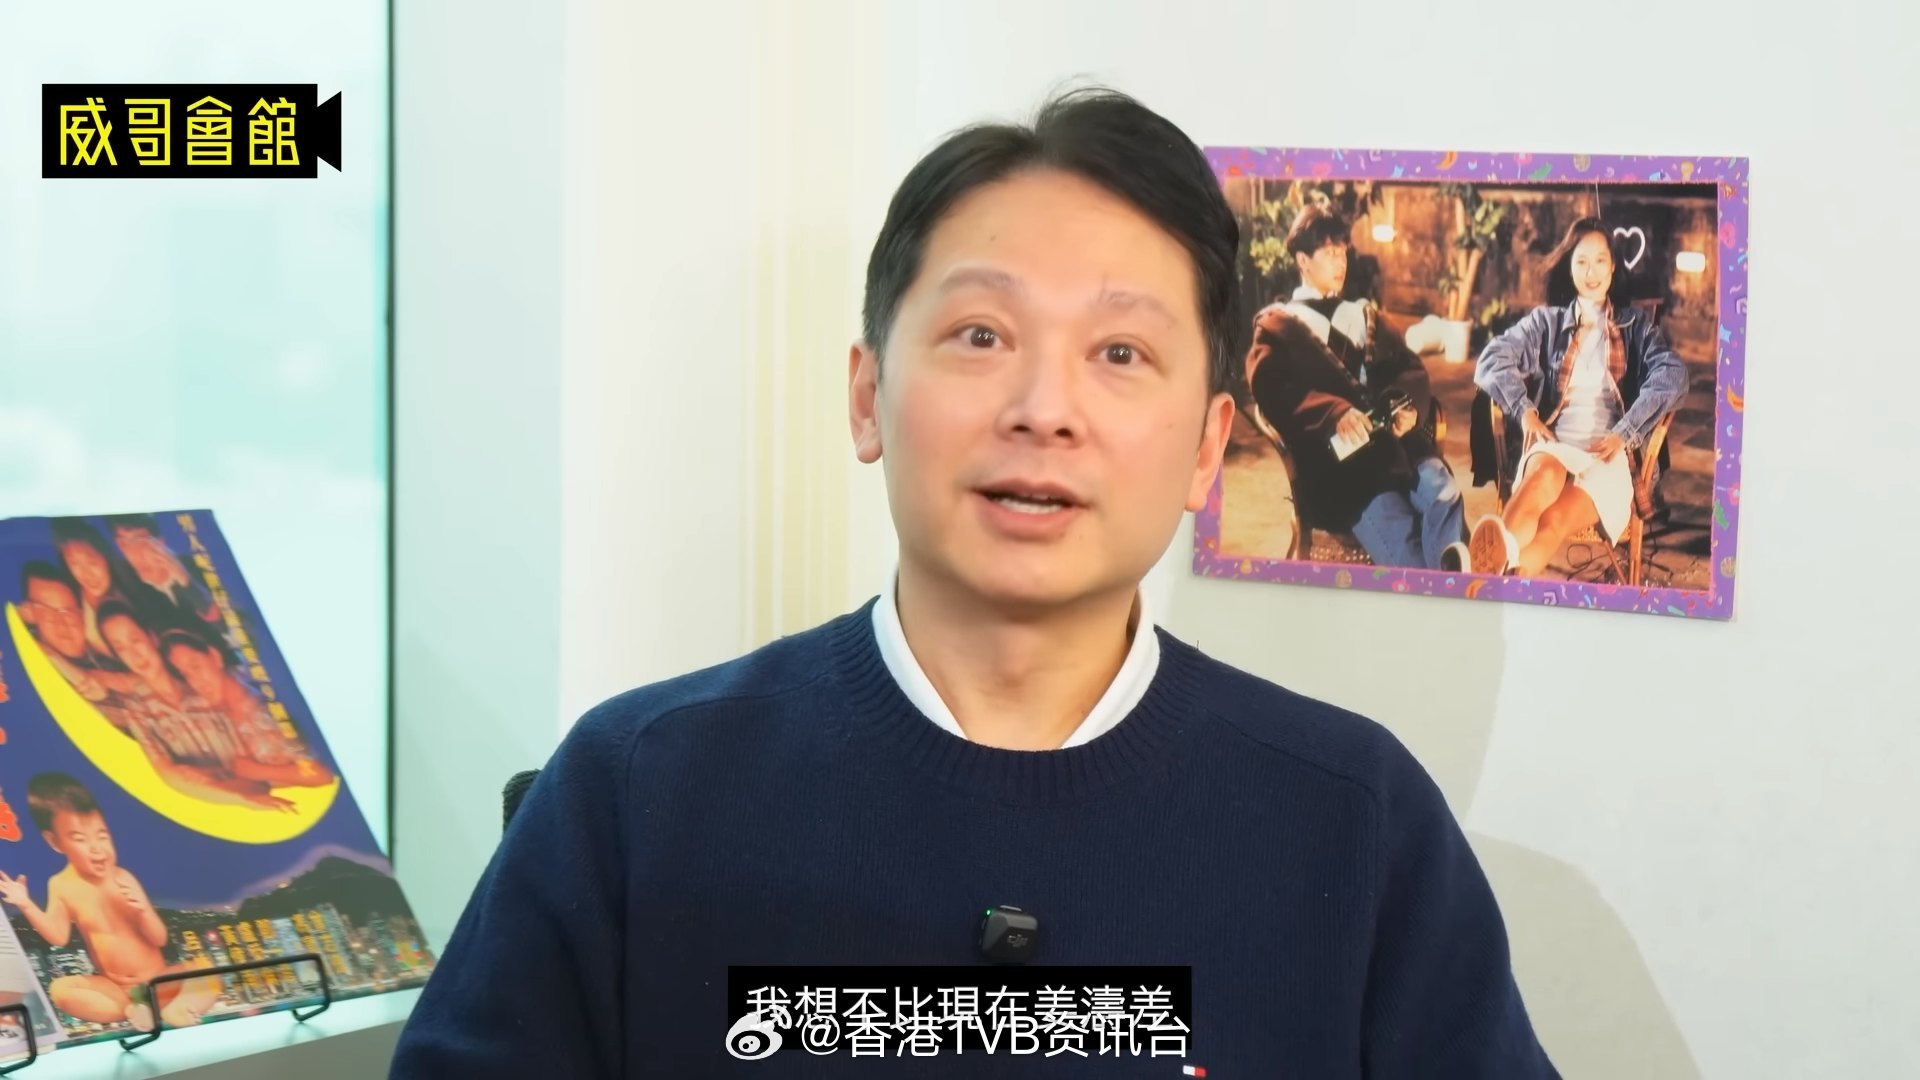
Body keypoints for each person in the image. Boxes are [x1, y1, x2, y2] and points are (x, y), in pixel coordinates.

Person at [389, 87, 1556, 1077]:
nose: (1044, 409)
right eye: (982, 336)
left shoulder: (1354, 823)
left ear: (1206, 450)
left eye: (1120, 353)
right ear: (866, 397)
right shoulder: (634, 792)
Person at [1245, 204, 1468, 569]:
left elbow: (1410, 368)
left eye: (1343, 252)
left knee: (1445, 495)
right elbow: (1272, 390)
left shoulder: (1364, 314)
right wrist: (1334, 413)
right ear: (1303, 260)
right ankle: (1441, 590)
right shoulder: (1278, 326)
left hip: (1403, 450)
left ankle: (1447, 585)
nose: (1341, 262)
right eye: (1329, 252)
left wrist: (1404, 406)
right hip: (1347, 472)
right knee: (1406, 545)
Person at [1468, 217, 1690, 577]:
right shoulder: (1547, 323)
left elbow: (1674, 375)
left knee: (1554, 521)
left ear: (1613, 266)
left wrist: (1626, 432)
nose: (1591, 272)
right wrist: (1524, 411)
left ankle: (1493, 576)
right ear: (1568, 266)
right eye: (1582, 261)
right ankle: (1497, 562)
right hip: (1556, 444)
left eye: (1600, 261)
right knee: (1543, 476)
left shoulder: (1635, 326)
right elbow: (1492, 358)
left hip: (1608, 453)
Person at [0, 773, 223, 1032]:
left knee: (206, 969)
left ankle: (175, 1007)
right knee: (61, 989)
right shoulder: (60, 885)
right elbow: (58, 937)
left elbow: (159, 938)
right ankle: (136, 1010)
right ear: (55, 841)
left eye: (102, 835)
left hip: (157, 980)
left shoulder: (123, 878)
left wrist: (143, 911)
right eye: (80, 839)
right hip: (114, 988)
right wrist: (25, 904)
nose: (96, 848)